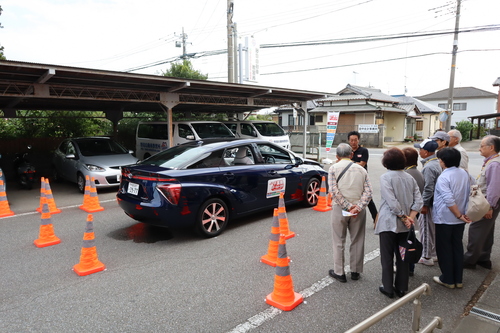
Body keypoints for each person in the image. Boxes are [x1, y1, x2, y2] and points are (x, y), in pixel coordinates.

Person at [375, 147, 423, 298]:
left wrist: (403, 217)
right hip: (405, 225)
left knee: (387, 257)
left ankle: (388, 287)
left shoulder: (385, 177)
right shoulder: (410, 178)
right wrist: (410, 217)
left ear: (386, 162)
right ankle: (402, 287)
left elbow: (392, 202)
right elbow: (419, 201)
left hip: (388, 222)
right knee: (403, 256)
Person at [328, 143, 373, 282]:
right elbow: (369, 191)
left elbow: (333, 191)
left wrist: (347, 206)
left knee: (338, 240)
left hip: (339, 209)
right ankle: (355, 271)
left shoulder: (333, 168)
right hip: (358, 211)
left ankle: (339, 272)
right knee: (358, 239)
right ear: (351, 154)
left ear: (337, 156)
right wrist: (357, 207)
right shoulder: (361, 169)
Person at [433, 147, 472, 289]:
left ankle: (448, 279)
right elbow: (473, 190)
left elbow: (448, 199)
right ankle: (458, 279)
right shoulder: (464, 173)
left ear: (443, 161)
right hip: (461, 218)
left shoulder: (444, 176)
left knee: (444, 248)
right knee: (457, 246)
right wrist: (463, 214)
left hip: (446, 218)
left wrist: (458, 214)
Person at [464, 135, 500, 270]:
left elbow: (494, 188)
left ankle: (470, 259)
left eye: (482, 146)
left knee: (476, 229)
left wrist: (489, 207)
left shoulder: (495, 164)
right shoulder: (491, 161)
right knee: (487, 230)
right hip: (487, 203)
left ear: (491, 148)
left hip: (486, 204)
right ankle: (483, 258)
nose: (479, 148)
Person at [413, 139, 441, 266]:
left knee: (426, 229)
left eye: (421, 149)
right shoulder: (436, 163)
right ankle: (434, 253)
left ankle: (426, 256)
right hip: (436, 202)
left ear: (427, 151)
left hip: (429, 204)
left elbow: (428, 187)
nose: (419, 151)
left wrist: (424, 204)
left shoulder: (429, 167)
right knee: (432, 229)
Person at [402, 147, 425, 276]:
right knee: (410, 239)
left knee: (406, 241)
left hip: (408, 214)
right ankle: (410, 266)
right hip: (414, 212)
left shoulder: (408, 175)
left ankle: (408, 266)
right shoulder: (417, 172)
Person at [347, 130, 378, 223]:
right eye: (351, 140)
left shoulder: (364, 151)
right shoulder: (347, 150)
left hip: (361, 178)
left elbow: (362, 164)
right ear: (348, 141)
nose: (353, 142)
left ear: (359, 140)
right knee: (350, 197)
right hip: (349, 178)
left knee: (368, 199)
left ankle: (376, 219)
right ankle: (350, 217)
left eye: (355, 140)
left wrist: (351, 162)